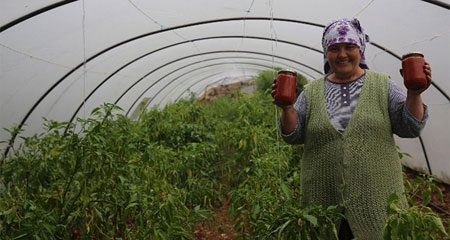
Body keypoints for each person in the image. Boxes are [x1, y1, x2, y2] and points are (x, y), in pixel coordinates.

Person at [271, 18, 431, 239]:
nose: (342, 54)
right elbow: (293, 135)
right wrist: (287, 107)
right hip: (323, 203)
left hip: (377, 202)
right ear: (326, 53)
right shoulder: (311, 92)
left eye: (349, 47)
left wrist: (415, 93)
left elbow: (410, 127)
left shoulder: (382, 85)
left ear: (360, 49)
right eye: (334, 48)